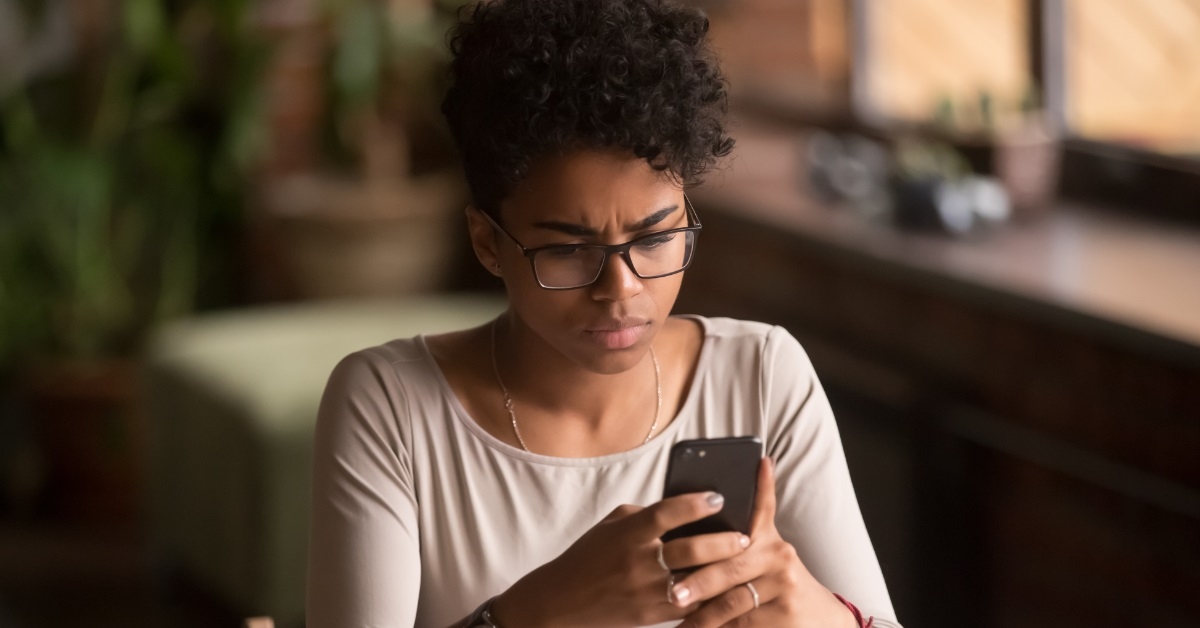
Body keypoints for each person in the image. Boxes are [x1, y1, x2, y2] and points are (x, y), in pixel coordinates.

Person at [305, 0, 901, 626]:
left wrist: (815, 610)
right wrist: (537, 612)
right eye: (567, 250)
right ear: (488, 243)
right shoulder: (392, 406)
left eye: (653, 239)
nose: (621, 289)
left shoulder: (760, 375)